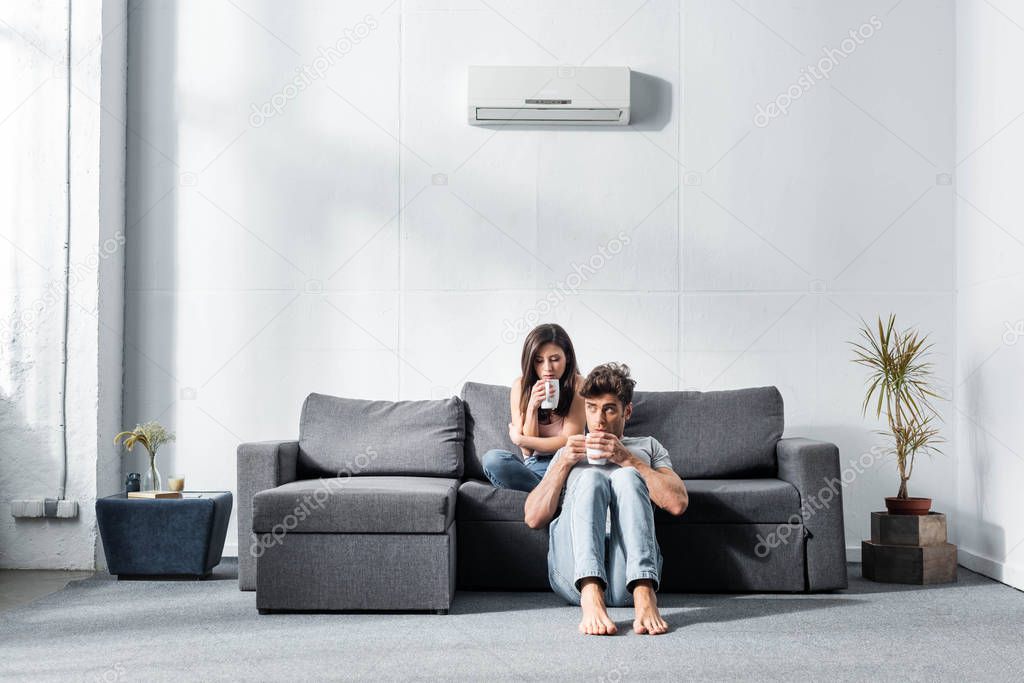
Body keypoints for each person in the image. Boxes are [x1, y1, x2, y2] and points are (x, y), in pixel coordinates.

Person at [524, 363, 688, 636]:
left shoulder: (648, 446)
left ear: (627, 411)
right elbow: (532, 517)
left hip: (627, 578)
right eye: (591, 408)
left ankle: (645, 594)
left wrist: (628, 460)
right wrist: (564, 463)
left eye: (609, 409)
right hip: (573, 576)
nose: (598, 420)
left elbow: (677, 503)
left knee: (627, 477)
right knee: (591, 478)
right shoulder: (569, 450)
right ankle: (591, 594)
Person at [482, 323, 585, 492]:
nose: (547, 369)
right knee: (493, 459)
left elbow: (568, 441)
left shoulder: (578, 385)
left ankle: (544, 497)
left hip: (567, 463)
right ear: (531, 361)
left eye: (555, 359)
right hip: (535, 466)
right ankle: (555, 497)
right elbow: (528, 451)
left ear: (567, 357)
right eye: (539, 361)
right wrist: (532, 407)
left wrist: (520, 439)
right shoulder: (521, 386)